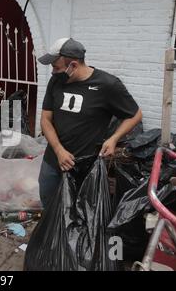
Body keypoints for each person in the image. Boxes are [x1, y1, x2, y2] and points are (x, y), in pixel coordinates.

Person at [38, 38, 142, 208]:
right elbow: (45, 120)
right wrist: (58, 150)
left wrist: (114, 138)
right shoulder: (56, 81)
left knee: (78, 214)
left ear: (73, 65)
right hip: (53, 161)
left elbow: (135, 115)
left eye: (56, 68)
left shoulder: (108, 85)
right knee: (49, 206)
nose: (53, 72)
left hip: (84, 168)